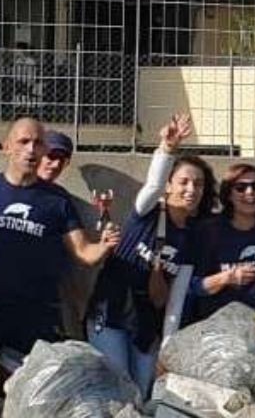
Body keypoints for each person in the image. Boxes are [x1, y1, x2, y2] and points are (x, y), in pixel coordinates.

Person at [0, 118, 117, 405]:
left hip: (34, 317)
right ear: (6, 147)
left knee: (26, 400)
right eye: (23, 141)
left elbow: (83, 252)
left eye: (38, 142)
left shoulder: (57, 202)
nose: (31, 149)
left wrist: (105, 245)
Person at [86, 151, 217, 390]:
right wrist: (167, 148)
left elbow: (176, 300)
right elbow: (153, 184)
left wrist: (166, 352)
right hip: (111, 316)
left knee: (144, 389)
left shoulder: (194, 239)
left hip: (146, 327)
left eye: (198, 184)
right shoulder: (146, 214)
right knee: (118, 385)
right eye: (184, 182)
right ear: (168, 185)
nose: (191, 189)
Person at [191, 162, 255, 321]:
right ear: (229, 194)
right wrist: (226, 278)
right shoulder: (210, 231)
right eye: (240, 188)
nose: (250, 192)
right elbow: (195, 286)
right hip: (223, 328)